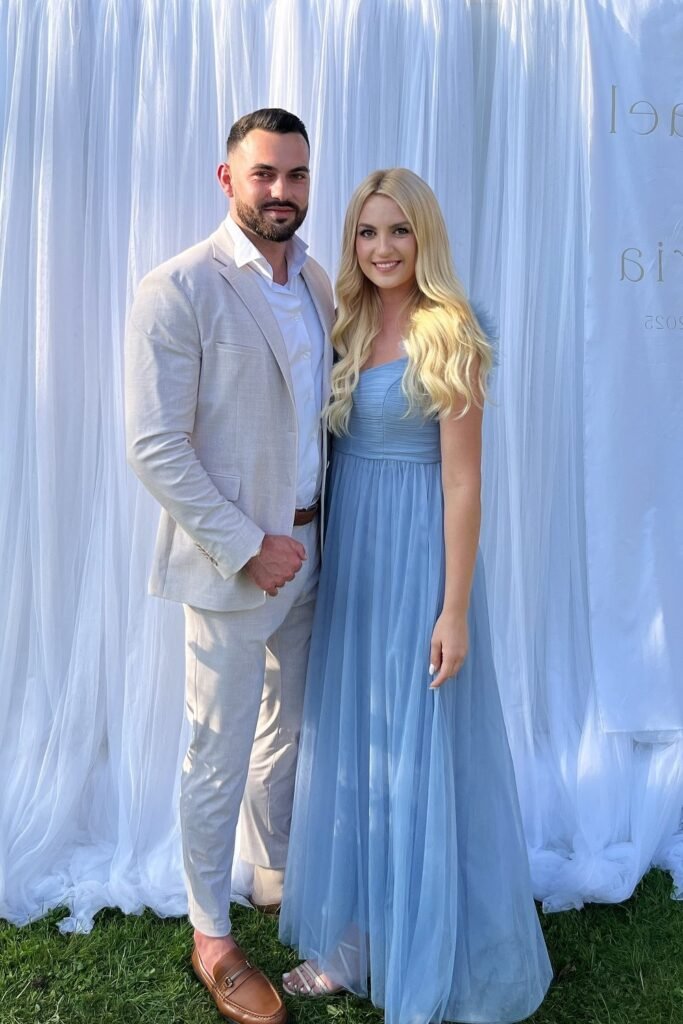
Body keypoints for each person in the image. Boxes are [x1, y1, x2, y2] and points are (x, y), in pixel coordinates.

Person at [279, 168, 553, 1023]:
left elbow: (463, 484)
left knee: (416, 746)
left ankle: (417, 931)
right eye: (367, 232)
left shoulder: (451, 331)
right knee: (362, 747)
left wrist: (453, 609)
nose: (382, 247)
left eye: (398, 230)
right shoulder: (347, 320)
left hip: (419, 564)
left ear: (423, 236)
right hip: (354, 560)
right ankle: (361, 930)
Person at [125, 108, 334, 1024]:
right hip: (233, 565)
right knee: (216, 749)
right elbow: (154, 446)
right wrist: (250, 545)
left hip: (318, 548)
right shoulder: (177, 288)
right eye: (264, 174)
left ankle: (272, 871)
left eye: (296, 174)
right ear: (227, 179)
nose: (281, 191)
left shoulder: (318, 279)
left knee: (285, 728)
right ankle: (211, 934)